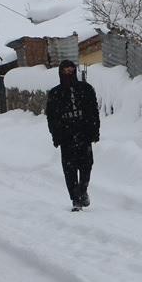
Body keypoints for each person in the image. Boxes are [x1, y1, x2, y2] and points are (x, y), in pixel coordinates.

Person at [45, 60, 100, 211]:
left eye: (71, 71)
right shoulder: (55, 93)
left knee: (86, 166)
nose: (69, 74)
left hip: (84, 133)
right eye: (66, 71)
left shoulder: (86, 89)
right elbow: (51, 117)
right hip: (66, 137)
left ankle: (83, 190)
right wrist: (56, 135)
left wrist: (94, 130)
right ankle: (75, 200)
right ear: (61, 73)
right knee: (69, 170)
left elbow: (93, 111)